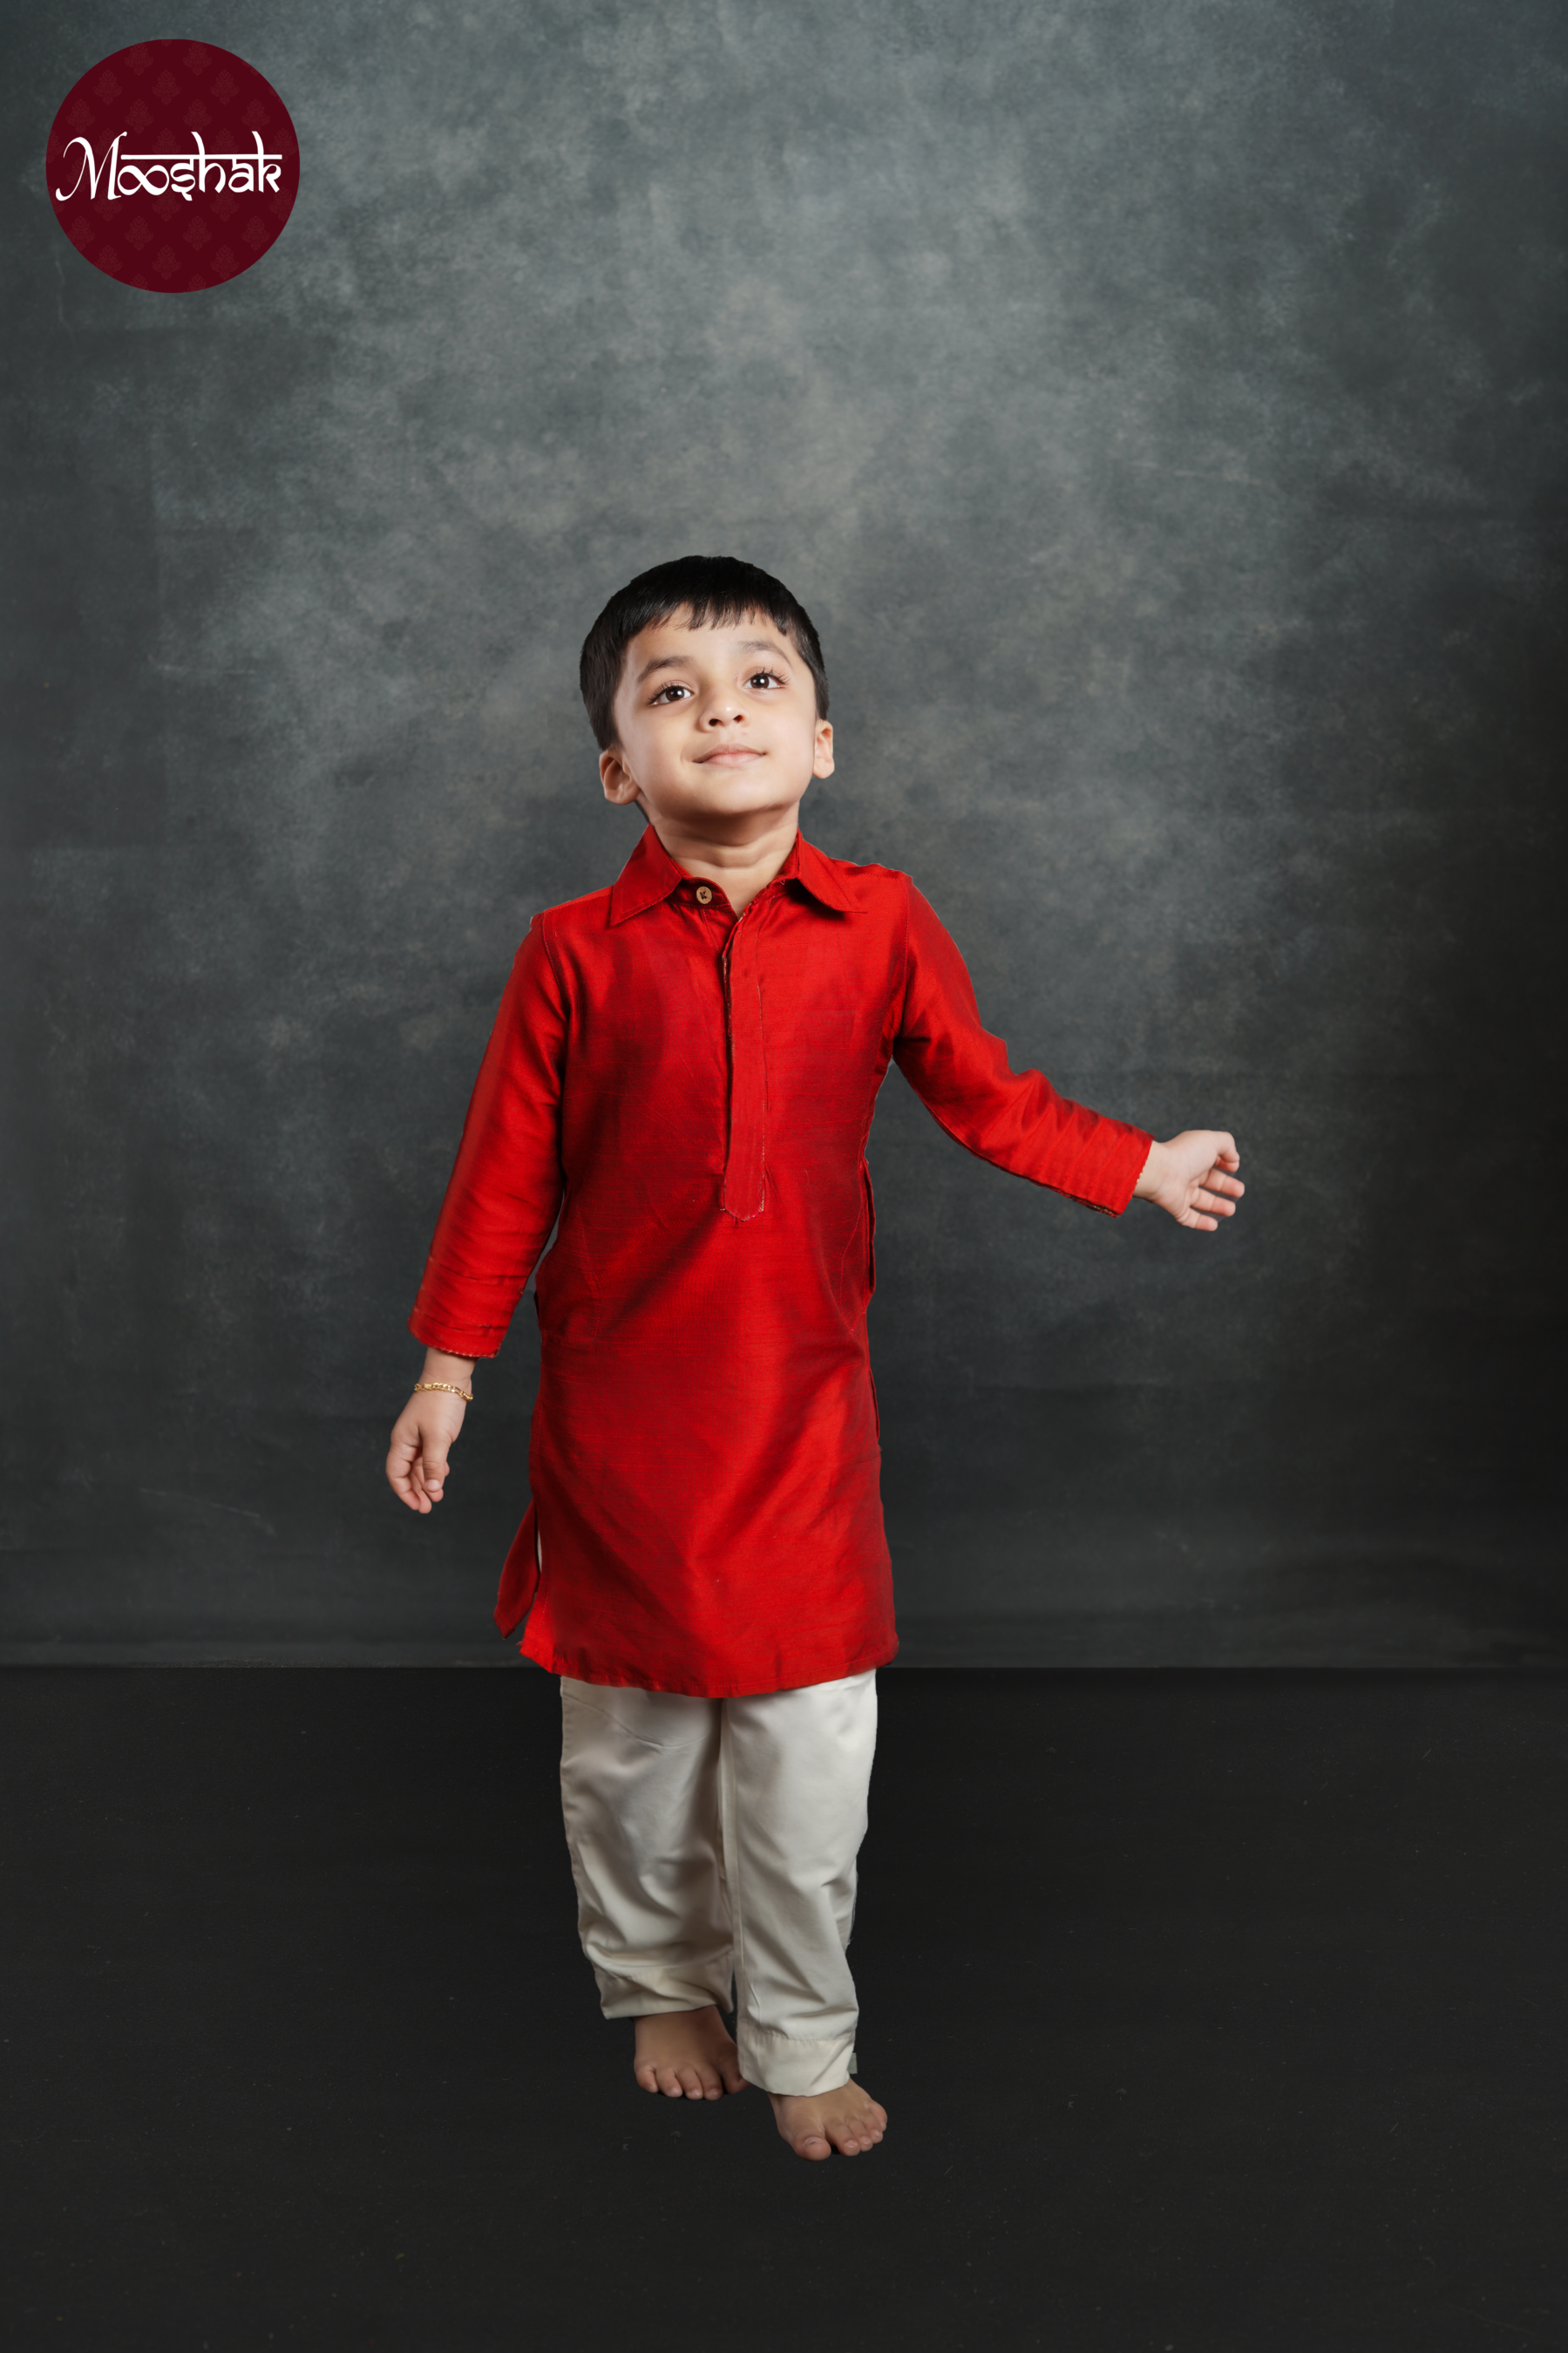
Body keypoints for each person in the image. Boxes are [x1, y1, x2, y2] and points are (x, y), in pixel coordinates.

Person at [384, 555, 1244, 2162]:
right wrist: (448, 1369)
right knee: (633, 1754)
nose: (721, 706)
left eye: (761, 679)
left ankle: (802, 2031)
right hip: (620, 1430)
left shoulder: (882, 922)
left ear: (825, 742)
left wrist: (1136, 1161)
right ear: (613, 767)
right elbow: (503, 1175)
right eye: (671, 689)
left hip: (799, 1422)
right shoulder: (571, 949)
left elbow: (986, 1095)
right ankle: (655, 1983)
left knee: (804, 1764)